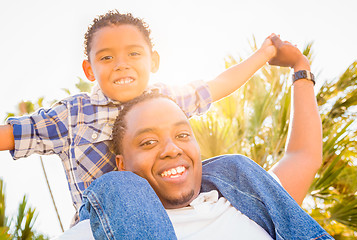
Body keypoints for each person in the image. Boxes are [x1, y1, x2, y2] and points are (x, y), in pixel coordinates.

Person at [0, 10, 277, 223]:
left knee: (232, 165)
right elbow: (13, 135)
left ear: (153, 61)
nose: (122, 64)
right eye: (107, 58)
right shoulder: (72, 114)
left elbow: (217, 86)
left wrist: (264, 54)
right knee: (122, 185)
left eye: (134, 53)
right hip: (108, 222)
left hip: (173, 211)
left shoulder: (166, 99)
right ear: (89, 69)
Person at [56, 36, 332, 239]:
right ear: (122, 164)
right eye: (148, 142)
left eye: (182, 134)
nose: (171, 149)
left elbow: (303, 157)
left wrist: (300, 67)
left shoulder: (242, 198)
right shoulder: (96, 230)